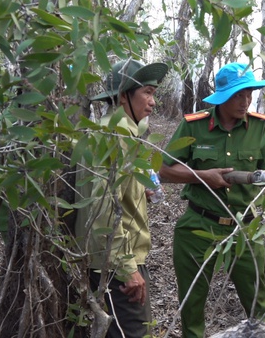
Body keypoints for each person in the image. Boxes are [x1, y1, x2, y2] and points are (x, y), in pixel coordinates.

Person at [159, 62, 265, 338]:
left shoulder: (261, 128)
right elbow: (164, 170)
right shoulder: (194, 126)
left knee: (258, 301)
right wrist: (203, 176)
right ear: (223, 95)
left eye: (249, 93)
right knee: (192, 303)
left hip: (245, 227)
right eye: (239, 94)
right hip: (199, 224)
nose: (245, 101)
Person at [75, 59, 168, 338]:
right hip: (115, 264)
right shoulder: (116, 134)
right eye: (147, 93)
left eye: (154, 93)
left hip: (110, 259)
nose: (152, 102)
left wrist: (141, 190)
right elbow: (103, 208)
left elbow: (112, 194)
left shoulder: (120, 131)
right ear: (123, 96)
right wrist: (127, 269)